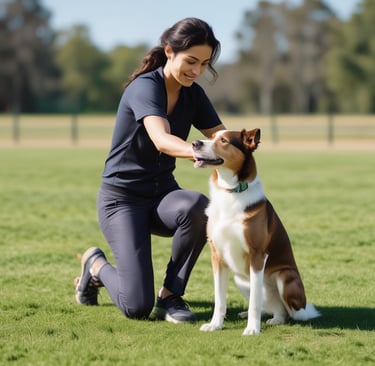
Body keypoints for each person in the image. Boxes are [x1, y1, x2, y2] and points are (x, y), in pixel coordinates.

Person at [74, 17, 225, 323]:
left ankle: (171, 295)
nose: (196, 71)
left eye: (204, 64)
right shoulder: (145, 87)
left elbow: (221, 137)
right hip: (122, 202)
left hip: (161, 197)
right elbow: (161, 139)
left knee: (199, 207)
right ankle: (95, 266)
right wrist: (199, 152)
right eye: (191, 61)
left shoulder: (193, 93)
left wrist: (238, 155)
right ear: (169, 51)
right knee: (136, 306)